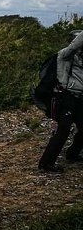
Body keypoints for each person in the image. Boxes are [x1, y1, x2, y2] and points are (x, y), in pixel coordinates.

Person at [38, 29, 83, 174]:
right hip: (64, 98)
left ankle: (73, 154)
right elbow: (74, 47)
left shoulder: (81, 58)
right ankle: (46, 164)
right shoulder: (65, 55)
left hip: (78, 98)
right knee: (63, 131)